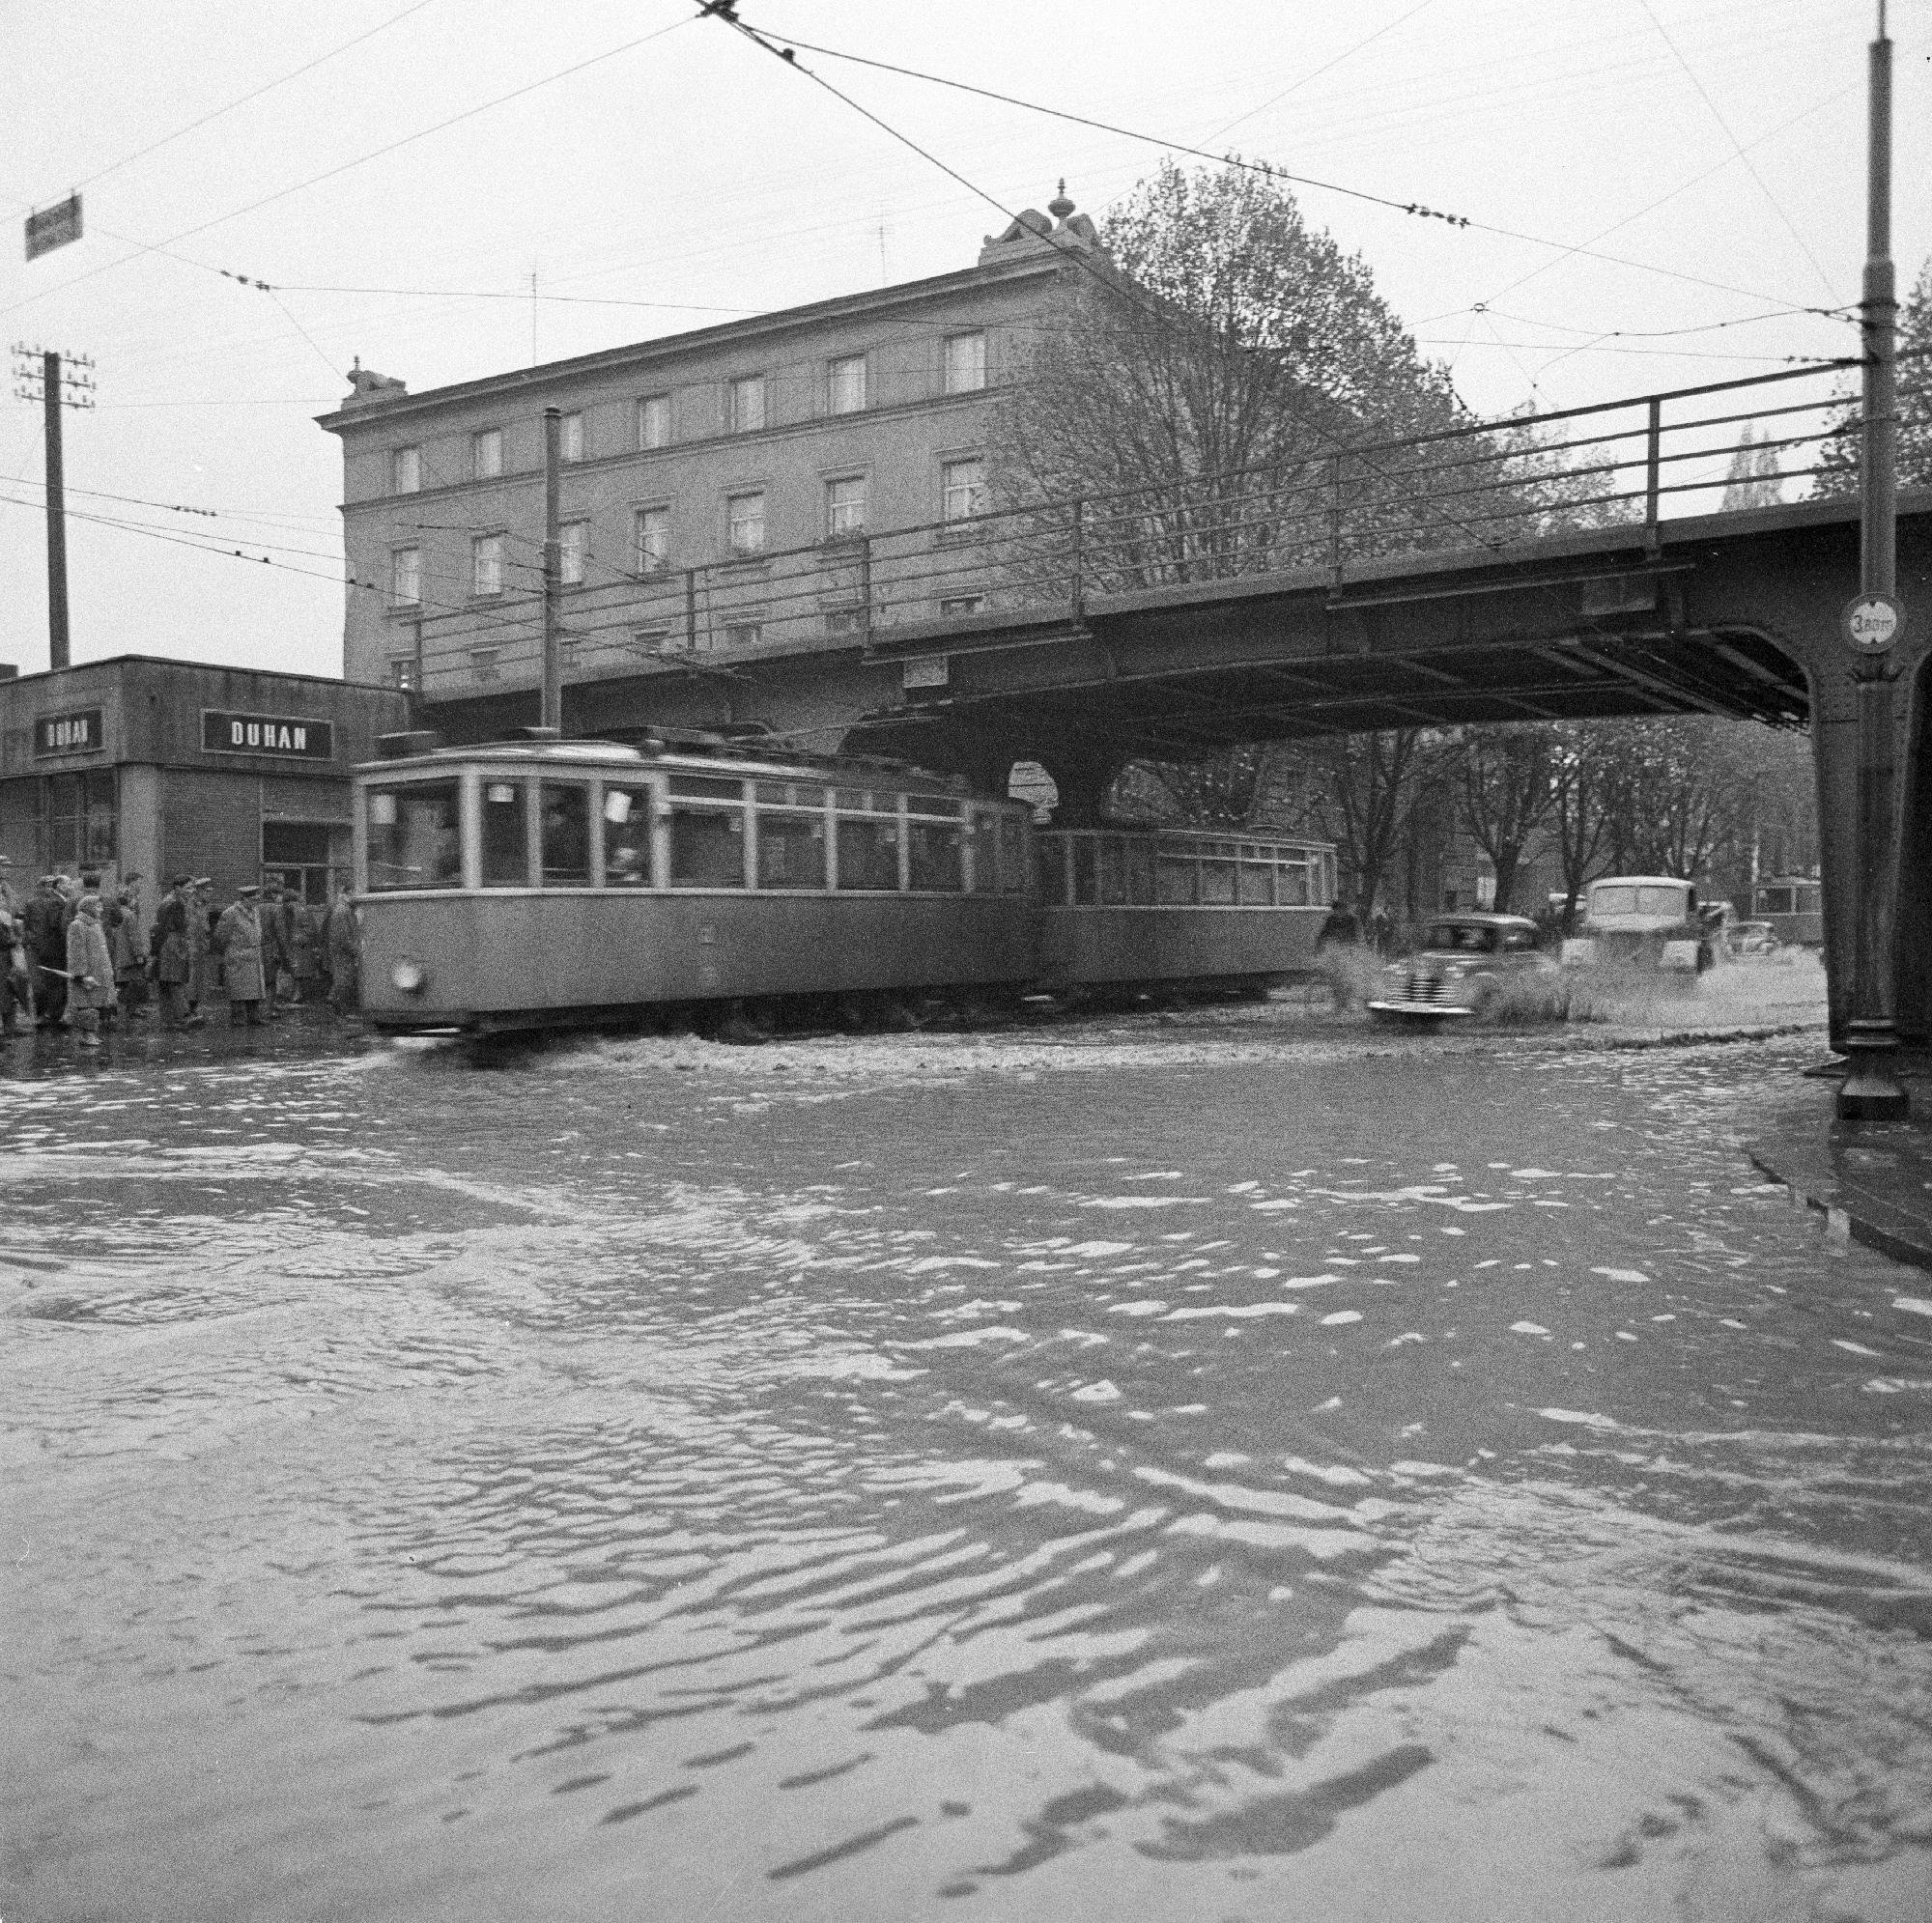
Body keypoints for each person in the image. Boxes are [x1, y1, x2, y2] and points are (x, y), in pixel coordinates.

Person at [151, 876, 205, 1031]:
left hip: (168, 944)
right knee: (175, 981)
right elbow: (167, 927)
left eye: (192, 888)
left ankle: (169, 1020)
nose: (191, 891)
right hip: (172, 944)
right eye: (188, 888)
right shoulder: (175, 904)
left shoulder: (169, 901)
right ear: (177, 887)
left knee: (167, 983)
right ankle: (183, 1016)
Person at [64, 892, 116, 1050]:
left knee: (96, 1003)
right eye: (98, 906)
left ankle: (91, 1034)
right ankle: (87, 1035)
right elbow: (76, 951)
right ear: (88, 908)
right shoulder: (77, 925)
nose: (101, 909)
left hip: (99, 971)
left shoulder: (96, 925)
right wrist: (81, 974)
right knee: (86, 1005)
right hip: (87, 973)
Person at [213, 884, 268, 1027]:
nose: (255, 902)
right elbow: (220, 935)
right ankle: (238, 1018)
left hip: (254, 954)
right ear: (244, 898)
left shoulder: (255, 912)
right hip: (238, 954)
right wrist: (230, 951)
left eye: (257, 899)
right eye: (252, 899)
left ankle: (254, 1017)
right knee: (238, 989)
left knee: (254, 989)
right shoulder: (231, 912)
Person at [27, 877, 70, 1029]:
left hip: (50, 948)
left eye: (51, 886)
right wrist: (32, 941)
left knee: (54, 982)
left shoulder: (58, 901)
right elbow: (29, 924)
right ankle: (46, 1015)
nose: (48, 889)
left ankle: (51, 1014)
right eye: (46, 886)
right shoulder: (36, 904)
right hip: (44, 948)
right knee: (46, 983)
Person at [0, 857, 29, 1038]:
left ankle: (10, 1024)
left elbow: (14, 913)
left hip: (8, 945)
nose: (7, 870)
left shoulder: (7, 889)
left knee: (11, 984)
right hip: (3, 943)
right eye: (4, 867)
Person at [324, 878, 360, 1016]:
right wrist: (356, 950)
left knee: (345, 979)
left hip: (343, 950)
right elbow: (342, 937)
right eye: (354, 892)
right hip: (342, 951)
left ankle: (337, 1007)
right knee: (343, 979)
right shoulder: (342, 910)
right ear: (348, 893)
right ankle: (335, 1006)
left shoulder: (346, 909)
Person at [185, 878, 213, 1018]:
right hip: (192, 945)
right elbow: (190, 927)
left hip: (201, 945)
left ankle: (194, 1007)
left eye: (210, 891)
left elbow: (205, 926)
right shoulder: (190, 905)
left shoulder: (203, 905)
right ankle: (188, 1009)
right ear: (199, 890)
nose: (209, 894)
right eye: (206, 891)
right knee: (191, 978)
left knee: (198, 979)